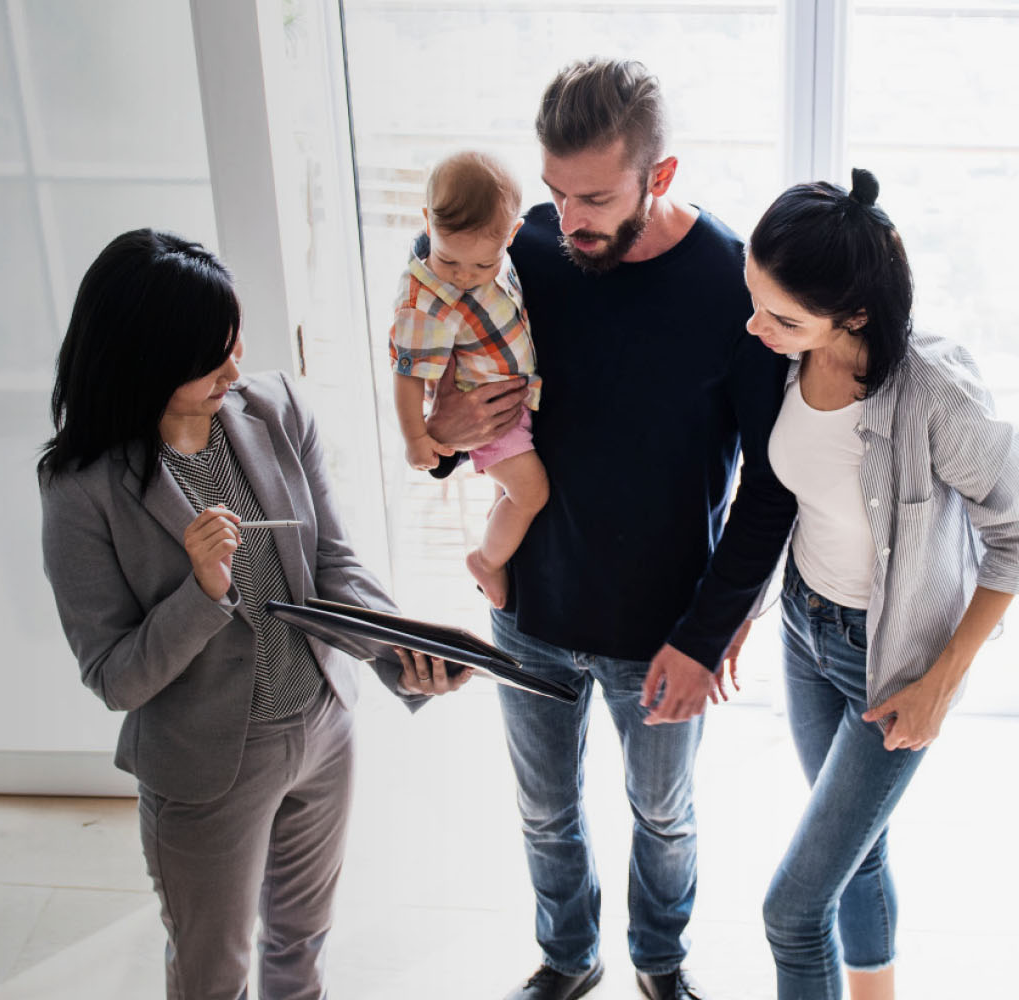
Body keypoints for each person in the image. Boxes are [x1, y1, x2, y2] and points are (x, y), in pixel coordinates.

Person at [425, 58, 797, 1000]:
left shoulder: (728, 282)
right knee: (546, 811)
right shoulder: (527, 250)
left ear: (659, 176)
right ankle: (567, 956)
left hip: (663, 630)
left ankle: (660, 963)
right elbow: (438, 361)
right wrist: (439, 435)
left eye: (592, 198)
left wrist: (707, 635)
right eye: (553, 192)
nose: (565, 219)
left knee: (663, 817)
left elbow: (772, 487)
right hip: (532, 613)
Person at [38, 228, 467, 999]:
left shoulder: (274, 408)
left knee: (302, 949)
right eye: (210, 356)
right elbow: (114, 678)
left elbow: (331, 563)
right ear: (143, 356)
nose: (234, 369)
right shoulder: (81, 490)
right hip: (205, 770)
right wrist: (202, 591)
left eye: (235, 343)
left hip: (324, 729)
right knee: (214, 972)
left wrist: (401, 654)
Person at [745, 169, 1019, 1000]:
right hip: (804, 628)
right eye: (754, 299)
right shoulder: (785, 358)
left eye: (783, 317)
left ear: (855, 313)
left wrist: (942, 682)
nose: (756, 328)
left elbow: (1014, 535)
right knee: (856, 858)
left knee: (792, 911)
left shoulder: (936, 394)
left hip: (890, 662)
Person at [389, 149, 548, 607]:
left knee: (508, 491)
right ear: (426, 223)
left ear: (511, 235)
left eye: (482, 266)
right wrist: (417, 437)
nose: (463, 277)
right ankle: (486, 561)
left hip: (514, 404)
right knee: (531, 493)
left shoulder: (499, 248)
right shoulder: (427, 300)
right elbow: (407, 375)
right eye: (449, 260)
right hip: (487, 416)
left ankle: (496, 543)